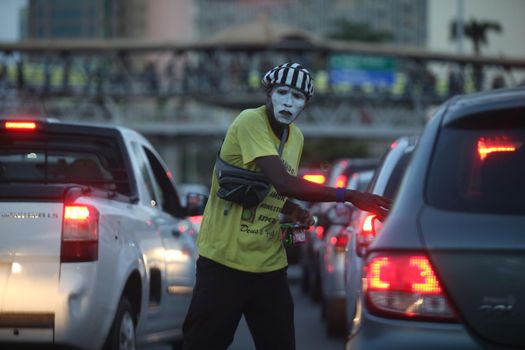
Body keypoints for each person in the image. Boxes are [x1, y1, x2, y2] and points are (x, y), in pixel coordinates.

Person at [182, 62, 391, 350]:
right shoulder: (249, 121)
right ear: (268, 94)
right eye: (282, 92)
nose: (288, 102)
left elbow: (272, 189)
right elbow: (284, 183)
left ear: (305, 105)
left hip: (269, 267)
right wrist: (350, 195)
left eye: (297, 97)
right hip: (223, 263)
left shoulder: (296, 138)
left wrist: (293, 211)